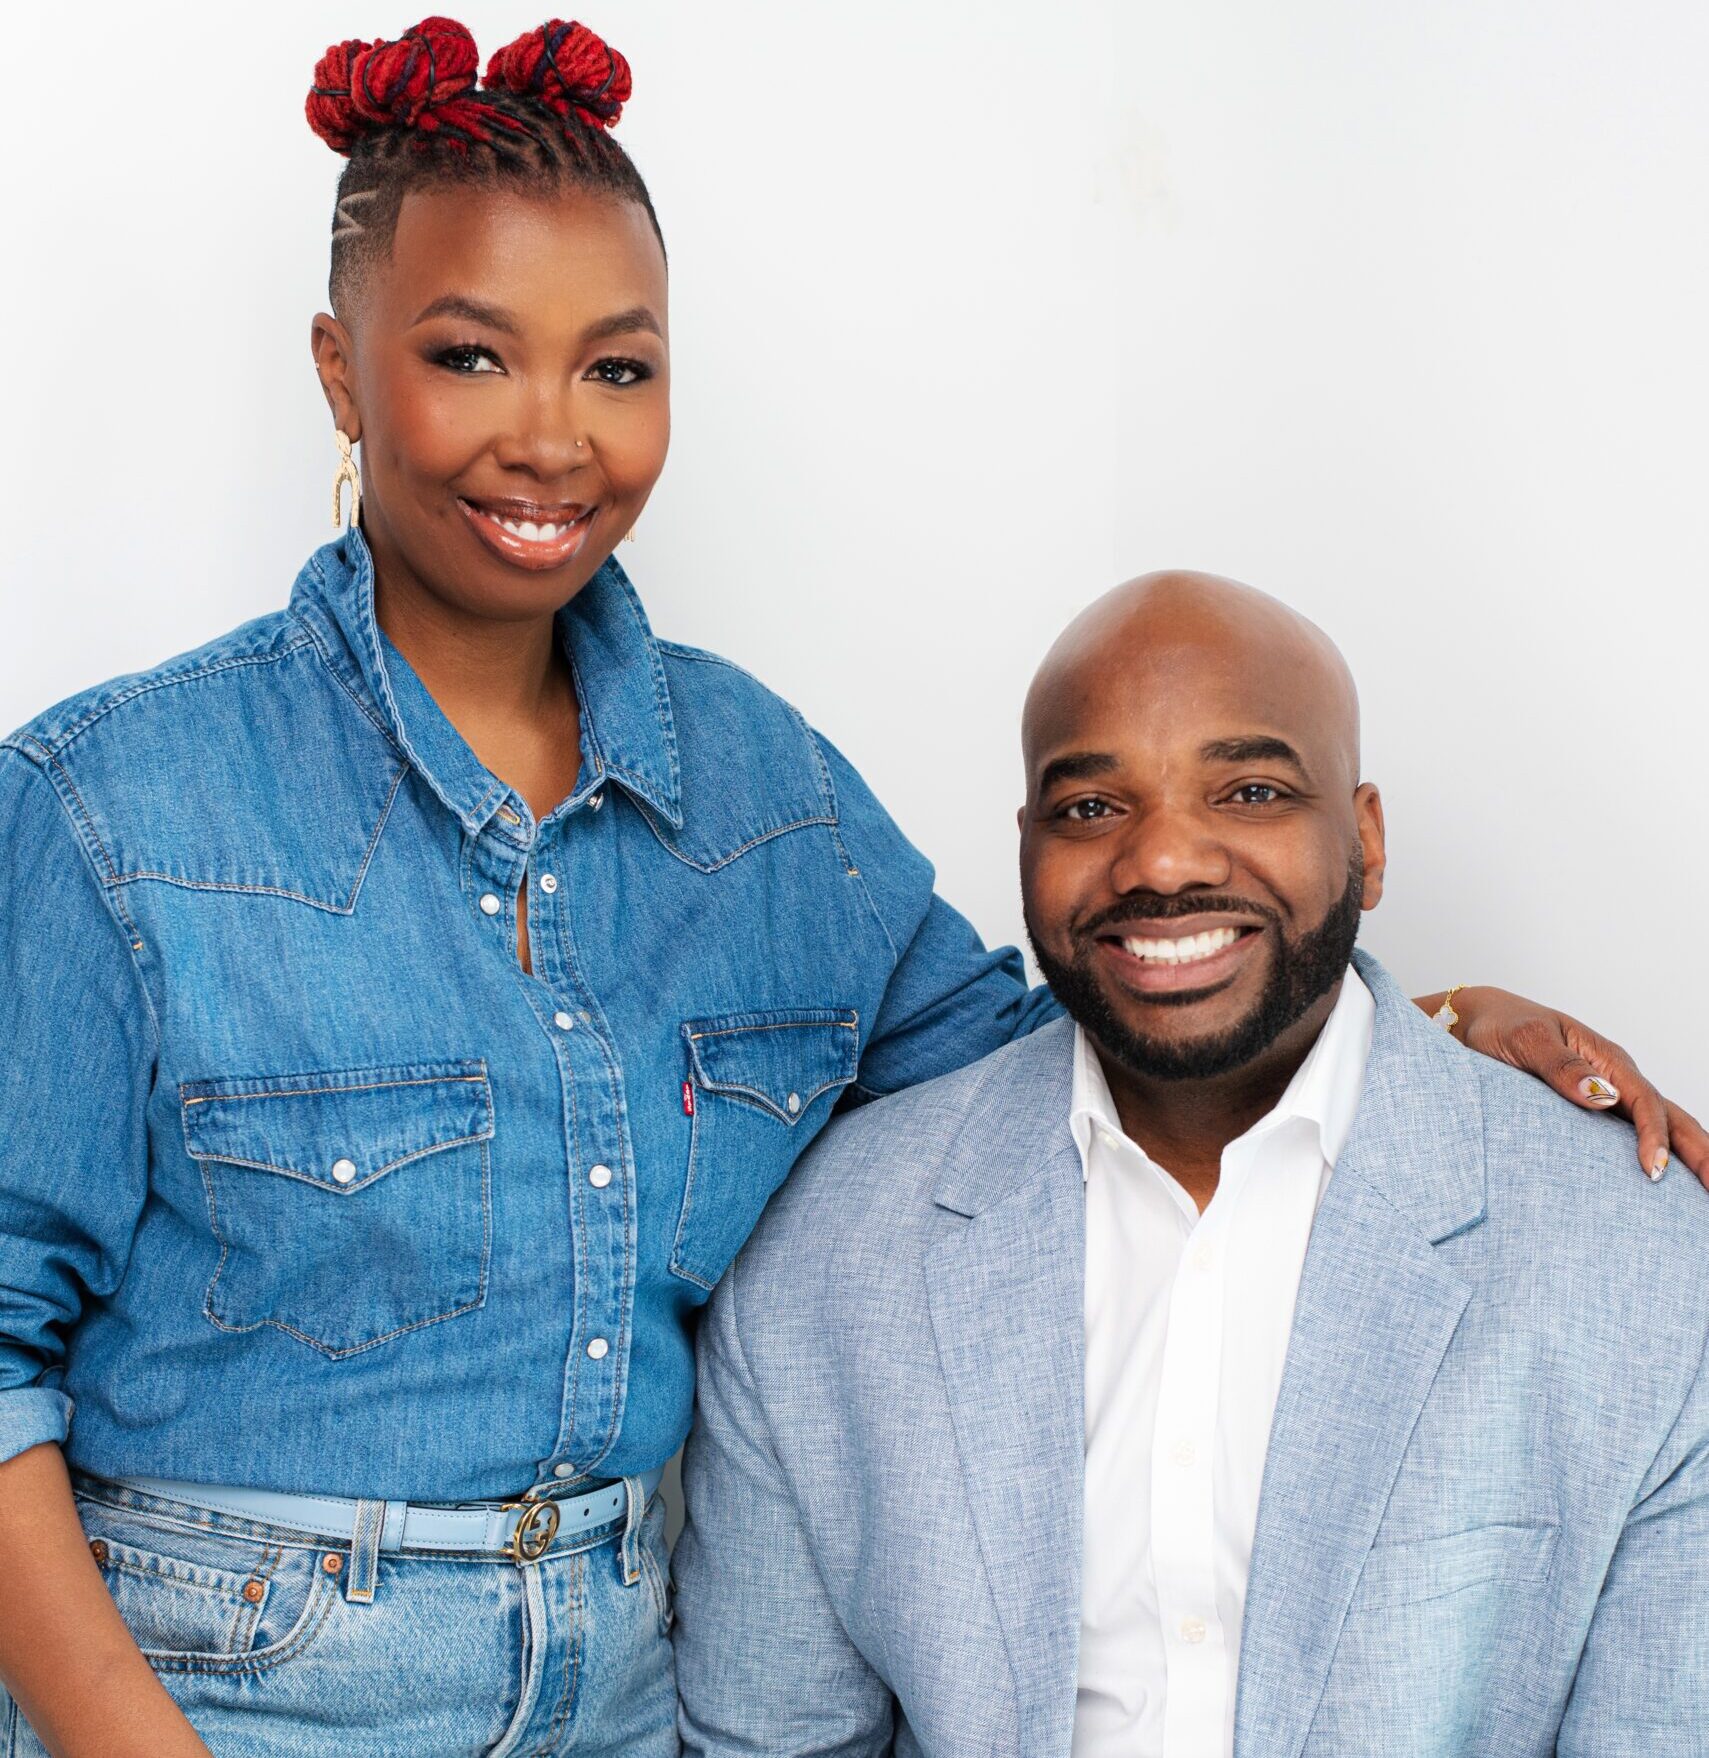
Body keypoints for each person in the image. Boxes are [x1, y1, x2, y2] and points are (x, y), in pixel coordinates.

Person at [0, 15, 1694, 1754]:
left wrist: (1415, 1024)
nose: (552, 438)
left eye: (617, 368)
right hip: (221, 1688)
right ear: (341, 372)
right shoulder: (111, 804)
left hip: (627, 1690)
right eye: (469, 356)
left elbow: (1076, 1051)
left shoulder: (762, 800)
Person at [673, 572, 1709, 1758]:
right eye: (1087, 807)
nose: (1160, 861)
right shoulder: (824, 1258)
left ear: (1364, 843)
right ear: (1025, 847)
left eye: (1250, 791)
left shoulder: (1637, 1260)